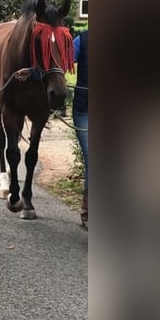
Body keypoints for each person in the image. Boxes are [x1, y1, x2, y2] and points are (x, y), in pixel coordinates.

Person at [72, 28, 88, 229]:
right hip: (85, 111)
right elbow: (58, 61)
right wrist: (33, 72)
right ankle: (88, 212)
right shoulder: (82, 40)